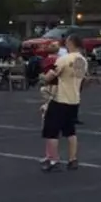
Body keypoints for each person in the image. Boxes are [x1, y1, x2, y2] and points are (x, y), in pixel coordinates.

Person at [40, 34, 88, 172]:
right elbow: (81, 79)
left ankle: (54, 160)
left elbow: (51, 75)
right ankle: (73, 159)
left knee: (51, 131)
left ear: (71, 43)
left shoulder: (65, 59)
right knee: (70, 131)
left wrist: (43, 79)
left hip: (61, 98)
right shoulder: (83, 61)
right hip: (74, 99)